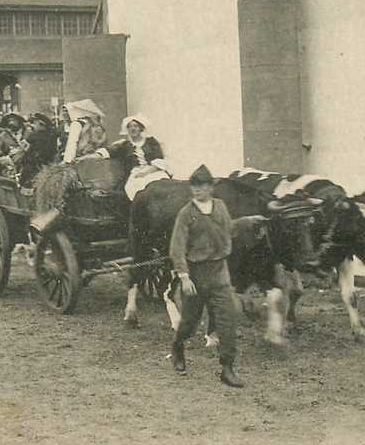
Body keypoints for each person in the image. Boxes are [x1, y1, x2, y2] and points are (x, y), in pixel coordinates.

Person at [169, 164, 244, 388]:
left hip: (219, 272)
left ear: (211, 188)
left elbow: (228, 231)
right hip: (196, 275)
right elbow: (177, 247)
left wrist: (248, 224)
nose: (197, 191)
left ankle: (227, 368)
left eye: (201, 187)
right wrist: (184, 277)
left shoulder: (220, 207)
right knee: (190, 322)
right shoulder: (186, 213)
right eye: (194, 187)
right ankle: (178, 347)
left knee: (227, 319)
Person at [81, 114, 170, 200]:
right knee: (134, 189)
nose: (133, 129)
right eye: (130, 127)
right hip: (135, 174)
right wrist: (86, 157)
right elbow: (107, 152)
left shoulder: (151, 142)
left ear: (141, 128)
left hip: (153, 170)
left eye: (136, 126)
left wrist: (146, 172)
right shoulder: (124, 145)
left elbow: (159, 160)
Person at [19, 113, 58, 188]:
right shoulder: (52, 135)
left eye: (35, 123)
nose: (33, 125)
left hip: (33, 167)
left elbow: (25, 150)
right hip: (47, 166)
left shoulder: (34, 136)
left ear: (41, 124)